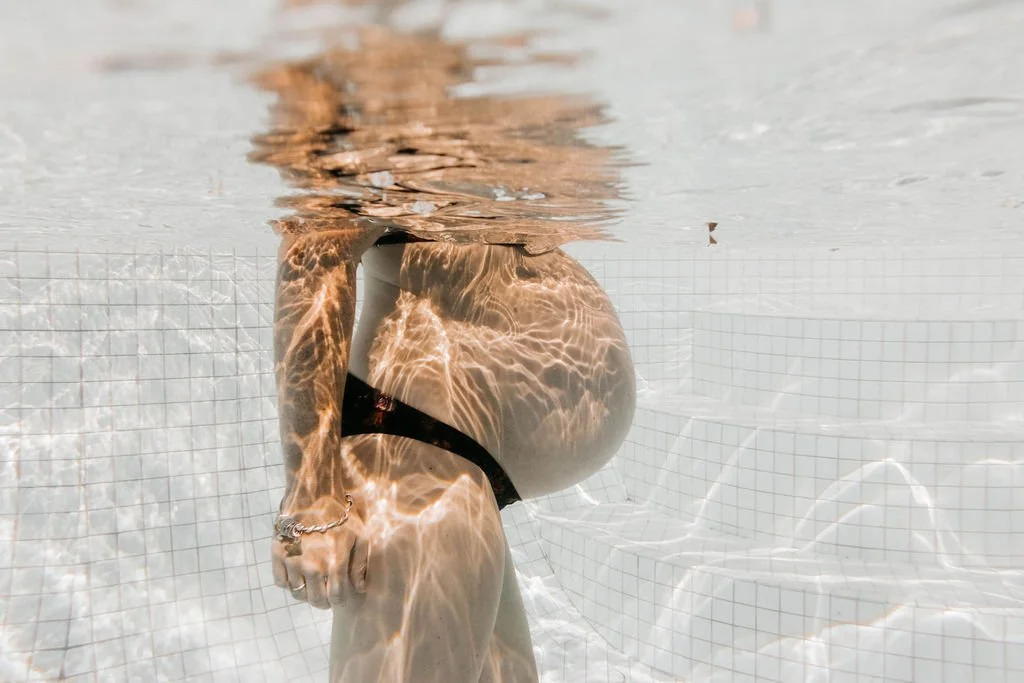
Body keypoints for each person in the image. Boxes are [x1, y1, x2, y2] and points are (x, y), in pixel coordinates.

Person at [253, 25, 636, 682]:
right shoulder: (360, 96)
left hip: (454, 447)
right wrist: (312, 496)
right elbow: (311, 258)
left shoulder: (463, 122)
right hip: (419, 442)